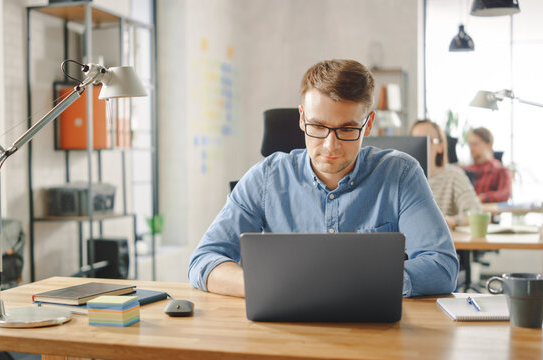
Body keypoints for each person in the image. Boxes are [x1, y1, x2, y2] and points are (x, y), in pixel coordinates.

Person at [188, 59, 458, 298]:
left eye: (347, 129)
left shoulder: (401, 174)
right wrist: (266, 285)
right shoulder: (266, 178)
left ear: (369, 123)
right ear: (302, 119)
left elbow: (442, 267)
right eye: (318, 126)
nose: (331, 146)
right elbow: (204, 260)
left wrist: (341, 283)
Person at [410, 120, 481, 229]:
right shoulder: (403, 179)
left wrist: (450, 221)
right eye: (415, 141)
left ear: (440, 146)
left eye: (427, 140)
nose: (421, 146)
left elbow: (475, 213)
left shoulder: (454, 175)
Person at [463, 127, 512, 203]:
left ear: (489, 145)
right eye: (470, 144)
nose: (471, 148)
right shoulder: (465, 171)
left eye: (475, 144)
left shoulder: (501, 171)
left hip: (489, 214)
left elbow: (505, 194)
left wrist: (482, 198)